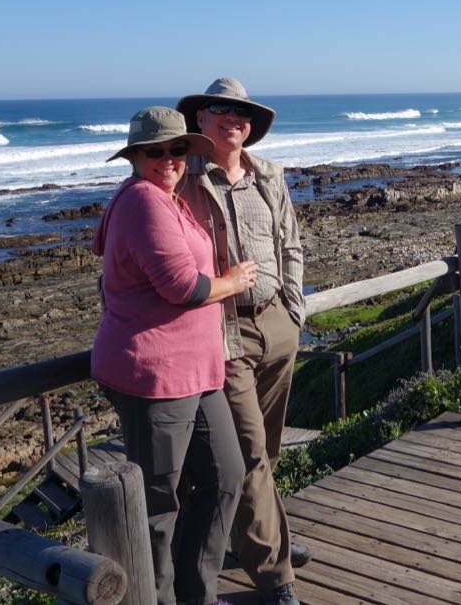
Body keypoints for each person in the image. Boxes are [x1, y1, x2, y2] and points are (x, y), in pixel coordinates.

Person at [92, 106, 259, 605]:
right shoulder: (144, 201)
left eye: (175, 150)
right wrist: (233, 282)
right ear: (135, 158)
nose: (168, 159)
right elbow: (182, 286)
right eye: (154, 151)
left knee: (226, 475)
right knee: (157, 505)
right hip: (155, 376)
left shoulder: (166, 198)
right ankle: (159, 598)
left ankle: (197, 592)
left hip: (197, 371)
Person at [176, 79, 306, 605]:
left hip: (276, 325)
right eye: (220, 109)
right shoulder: (181, 178)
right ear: (200, 121)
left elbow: (290, 241)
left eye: (241, 111)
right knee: (249, 452)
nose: (233, 117)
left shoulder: (268, 175)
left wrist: (294, 309)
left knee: (267, 451)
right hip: (224, 333)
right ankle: (276, 577)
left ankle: (256, 537)